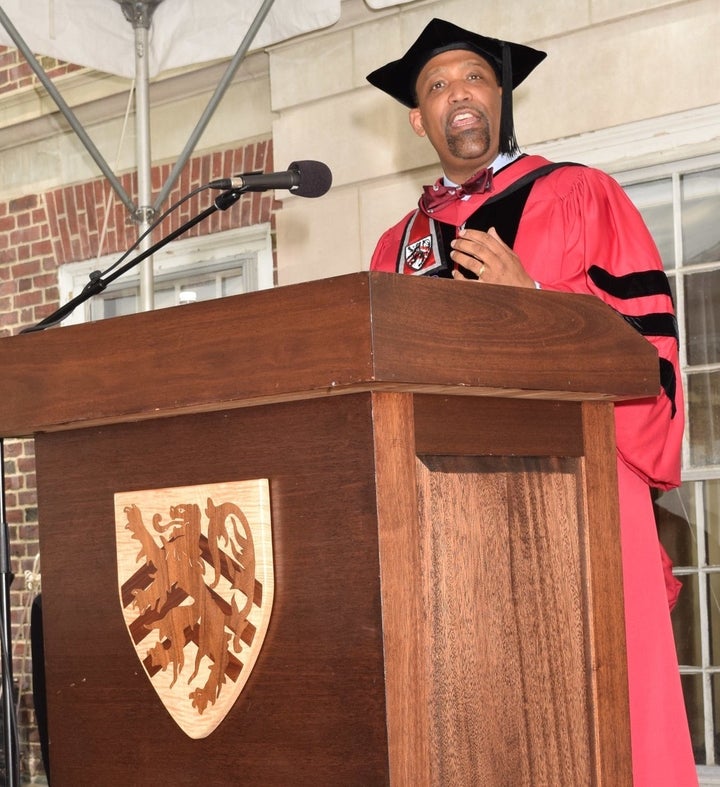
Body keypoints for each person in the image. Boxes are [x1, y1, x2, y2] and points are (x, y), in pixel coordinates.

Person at [366, 17, 696, 787]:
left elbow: (649, 359)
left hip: (584, 498)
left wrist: (536, 301)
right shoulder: (398, 246)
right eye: (438, 86)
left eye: (474, 78)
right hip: (446, 524)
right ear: (418, 119)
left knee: (611, 720)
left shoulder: (583, 195)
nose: (460, 96)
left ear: (502, 96)